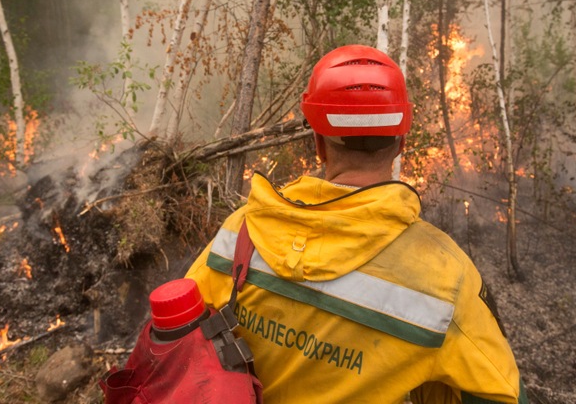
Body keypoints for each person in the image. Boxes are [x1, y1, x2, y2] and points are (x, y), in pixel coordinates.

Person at [185, 45, 527, 403]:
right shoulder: (446, 277)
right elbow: (500, 393)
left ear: (318, 143)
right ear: (401, 144)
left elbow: (178, 331)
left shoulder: (240, 230)